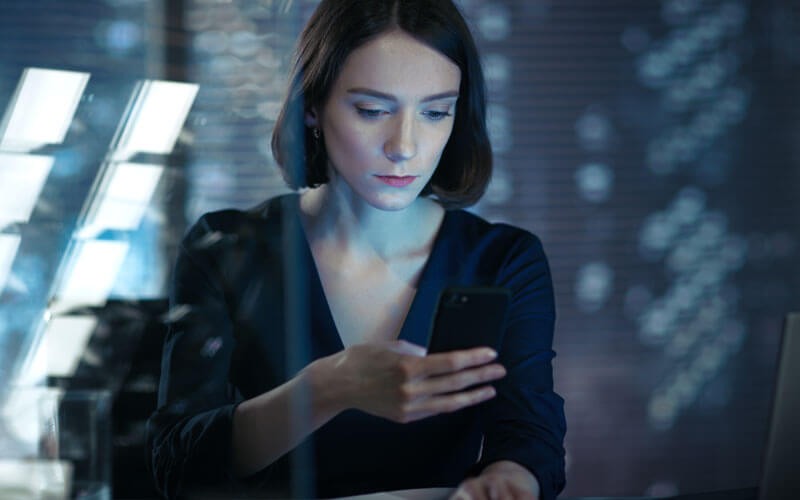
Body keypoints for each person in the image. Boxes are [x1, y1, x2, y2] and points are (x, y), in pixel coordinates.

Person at [146, 0, 566, 498]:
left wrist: (508, 480)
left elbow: (529, 433)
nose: (404, 146)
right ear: (311, 108)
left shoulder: (502, 260)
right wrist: (329, 387)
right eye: (372, 110)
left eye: (435, 112)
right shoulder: (226, 249)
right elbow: (177, 465)